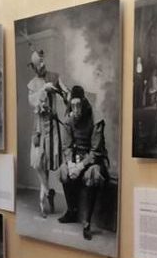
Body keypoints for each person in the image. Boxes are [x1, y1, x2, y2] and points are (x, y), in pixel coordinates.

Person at [58, 86, 109, 241]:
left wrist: (81, 166)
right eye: (72, 105)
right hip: (76, 158)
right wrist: (71, 163)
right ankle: (72, 211)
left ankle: (86, 222)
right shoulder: (68, 118)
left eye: (78, 105)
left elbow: (96, 151)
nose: (76, 109)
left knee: (91, 175)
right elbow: (66, 146)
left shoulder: (96, 118)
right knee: (63, 171)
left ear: (84, 103)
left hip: (94, 160)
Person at [26, 47, 69, 217]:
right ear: (35, 66)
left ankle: (47, 192)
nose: (42, 65)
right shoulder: (32, 84)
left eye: (43, 61)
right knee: (39, 164)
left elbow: (65, 91)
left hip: (53, 129)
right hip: (38, 129)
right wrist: (44, 90)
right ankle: (44, 196)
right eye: (39, 63)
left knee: (49, 164)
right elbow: (32, 102)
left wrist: (67, 95)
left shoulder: (54, 77)